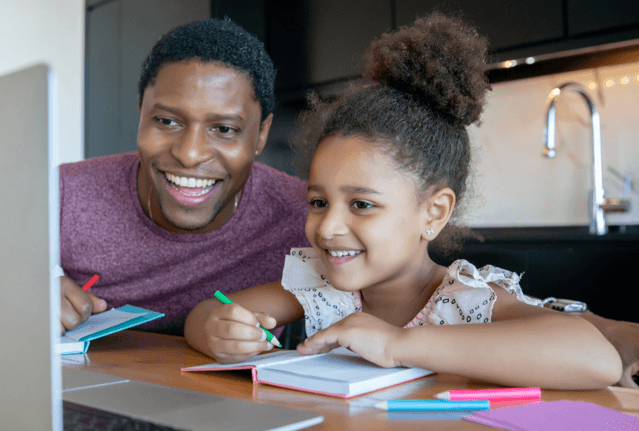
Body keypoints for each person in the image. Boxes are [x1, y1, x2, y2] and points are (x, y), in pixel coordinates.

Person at [184, 13, 623, 389]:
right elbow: (209, 310)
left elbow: (595, 357)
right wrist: (215, 329)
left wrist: (398, 345)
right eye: (319, 202)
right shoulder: (323, 288)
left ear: (432, 213)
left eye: (361, 205)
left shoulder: (465, 300)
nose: (327, 227)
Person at [58, 18, 310, 335]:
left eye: (224, 129)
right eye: (166, 121)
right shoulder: (61, 195)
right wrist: (30, 290)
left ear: (261, 134)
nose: (190, 154)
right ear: (141, 113)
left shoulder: (305, 215)